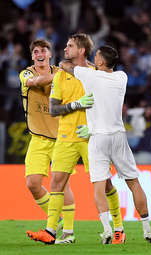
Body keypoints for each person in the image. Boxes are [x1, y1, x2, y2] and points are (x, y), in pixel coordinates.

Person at [26, 34, 124, 245]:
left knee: (106, 184)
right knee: (56, 183)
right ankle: (53, 232)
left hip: (92, 138)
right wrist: (74, 105)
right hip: (65, 136)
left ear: (81, 50)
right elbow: (53, 109)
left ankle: (118, 229)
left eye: (69, 46)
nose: (65, 49)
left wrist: (92, 127)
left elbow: (108, 106)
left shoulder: (96, 74)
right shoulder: (61, 75)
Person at [58, 45, 151, 243]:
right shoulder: (122, 77)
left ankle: (107, 231)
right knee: (134, 182)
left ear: (101, 62)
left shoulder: (89, 76)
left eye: (96, 57)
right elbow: (97, 69)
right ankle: (147, 230)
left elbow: (63, 65)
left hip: (98, 137)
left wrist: (83, 61)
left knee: (99, 186)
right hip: (119, 136)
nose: (94, 59)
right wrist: (92, 64)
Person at [20, 38, 75, 244]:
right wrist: (63, 72)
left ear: (50, 54)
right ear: (32, 55)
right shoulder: (26, 73)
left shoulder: (62, 74)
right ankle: (57, 218)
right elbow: (34, 82)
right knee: (33, 184)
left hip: (62, 138)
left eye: (43, 50)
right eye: (35, 51)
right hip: (38, 138)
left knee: (63, 185)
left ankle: (68, 232)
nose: (39, 54)